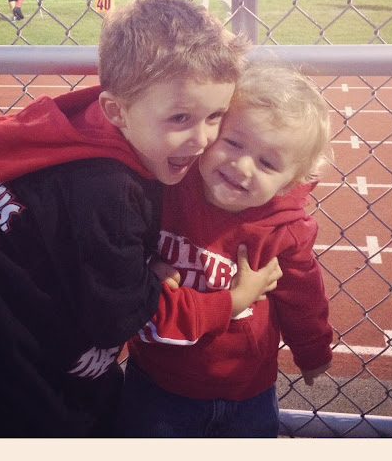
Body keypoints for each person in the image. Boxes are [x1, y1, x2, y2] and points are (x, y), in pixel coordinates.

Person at [0, 0, 282, 438]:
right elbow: (118, 318)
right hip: (4, 395)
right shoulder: (107, 189)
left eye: (216, 116)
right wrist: (228, 300)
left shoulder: (79, 128)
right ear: (117, 110)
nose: (202, 138)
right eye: (180, 118)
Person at [117, 62, 334, 438]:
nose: (242, 166)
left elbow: (303, 295)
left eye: (268, 163)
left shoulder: (285, 227)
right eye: (233, 142)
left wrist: (313, 351)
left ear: (290, 183)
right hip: (157, 378)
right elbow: (124, 237)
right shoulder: (167, 186)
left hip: (246, 388)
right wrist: (147, 262)